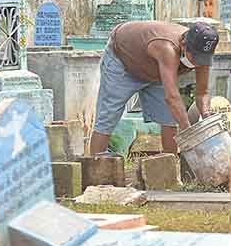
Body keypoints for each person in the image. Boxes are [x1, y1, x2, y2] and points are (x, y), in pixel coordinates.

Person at [89, 20, 218, 155]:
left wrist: (207, 118)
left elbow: (202, 93)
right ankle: (95, 165)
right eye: (195, 57)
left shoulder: (203, 54)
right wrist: (190, 134)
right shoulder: (167, 47)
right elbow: (172, 97)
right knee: (107, 117)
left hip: (157, 70)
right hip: (123, 59)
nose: (198, 63)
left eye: (202, 59)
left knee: (169, 119)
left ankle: (170, 166)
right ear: (184, 45)